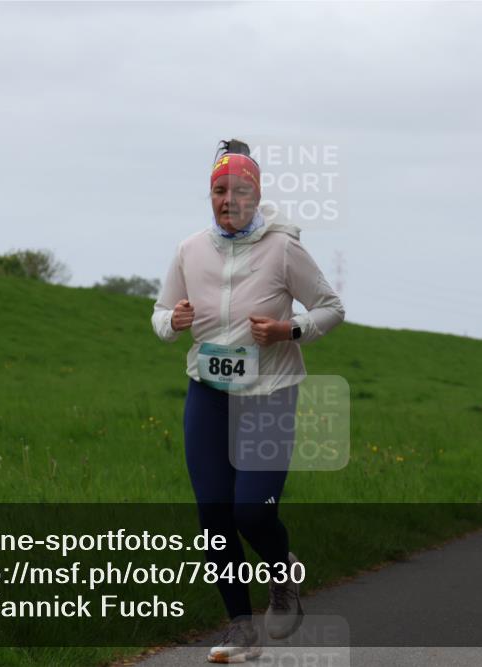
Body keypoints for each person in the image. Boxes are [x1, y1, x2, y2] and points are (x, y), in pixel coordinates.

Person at [151, 139, 345, 663]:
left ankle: (283, 576)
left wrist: (288, 329)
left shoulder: (283, 249)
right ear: (210, 196)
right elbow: (160, 314)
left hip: (269, 396)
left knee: (253, 512)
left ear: (256, 196)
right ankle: (240, 627)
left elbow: (331, 307)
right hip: (208, 394)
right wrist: (174, 321)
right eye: (219, 191)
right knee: (214, 516)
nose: (228, 200)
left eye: (239, 191)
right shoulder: (190, 249)